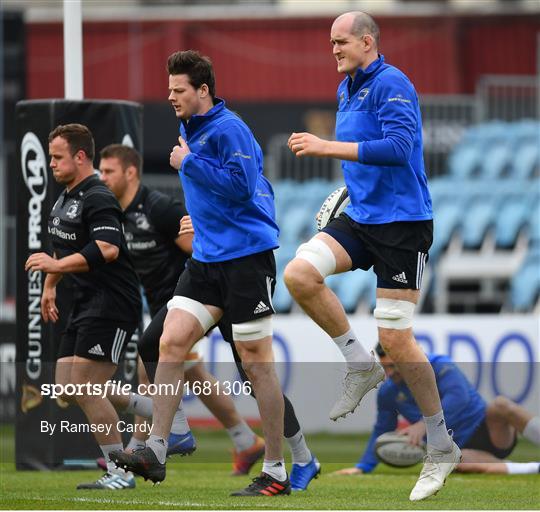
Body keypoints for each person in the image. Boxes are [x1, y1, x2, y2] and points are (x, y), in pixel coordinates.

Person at [283, 11, 460, 501]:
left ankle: (441, 446)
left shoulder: (392, 82)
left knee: (398, 342)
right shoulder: (348, 87)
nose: (333, 48)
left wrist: (326, 147)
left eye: (341, 41)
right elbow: (370, 160)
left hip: (403, 224)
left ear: (367, 41)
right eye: (330, 42)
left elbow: (400, 149)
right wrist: (346, 190)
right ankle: (361, 365)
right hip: (362, 217)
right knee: (298, 274)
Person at [111, 50, 291, 497]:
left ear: (203, 90)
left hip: (246, 260)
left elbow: (243, 186)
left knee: (255, 365)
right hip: (206, 262)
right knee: (167, 341)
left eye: (178, 90)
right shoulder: (189, 130)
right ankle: (156, 446)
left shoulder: (230, 129)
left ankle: (277, 469)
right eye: (169, 89)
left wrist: (186, 163)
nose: (170, 96)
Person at [98, 143, 267, 473]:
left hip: (191, 300)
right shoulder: (119, 214)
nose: (102, 177)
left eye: (108, 171)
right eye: (100, 171)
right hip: (165, 304)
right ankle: (246, 440)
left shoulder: (158, 208)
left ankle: (140, 446)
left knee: (148, 363)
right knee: (189, 370)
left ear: (130, 172)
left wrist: (199, 304)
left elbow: (201, 252)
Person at [25, 123, 142, 490]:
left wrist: (56, 267)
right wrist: (50, 286)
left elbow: (107, 249)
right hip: (86, 302)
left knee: (87, 387)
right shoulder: (63, 198)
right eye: (50, 157)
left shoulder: (97, 196)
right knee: (66, 388)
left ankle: (120, 471)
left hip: (113, 303)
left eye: (57, 157)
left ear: (80, 157)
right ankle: (162, 412)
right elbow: (62, 248)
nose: (52, 164)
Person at [330, 343, 540, 476]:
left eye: (394, 366)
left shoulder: (439, 365)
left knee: (501, 405)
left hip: (488, 430)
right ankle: (531, 468)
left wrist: (422, 426)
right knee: (451, 462)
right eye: (384, 367)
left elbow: (459, 399)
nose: (389, 373)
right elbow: (382, 429)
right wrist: (362, 467)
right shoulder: (388, 392)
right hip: (455, 446)